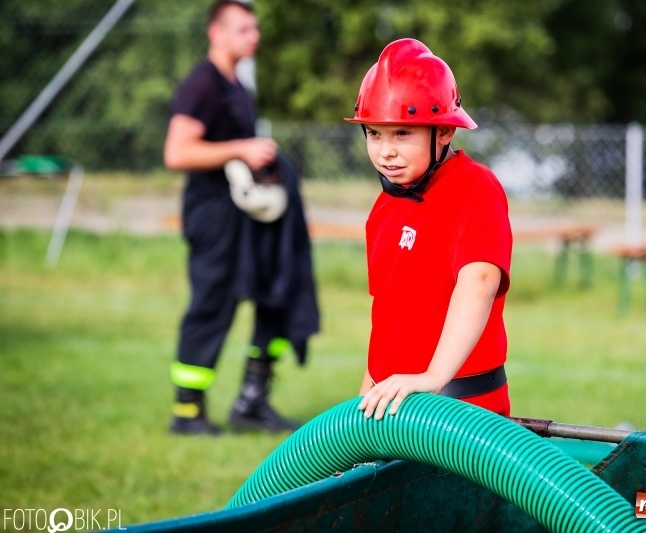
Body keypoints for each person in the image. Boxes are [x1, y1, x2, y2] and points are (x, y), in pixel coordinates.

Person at [163, 0, 319, 435]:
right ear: (216, 33)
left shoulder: (237, 85)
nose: (255, 37)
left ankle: (253, 401)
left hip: (247, 219)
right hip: (214, 219)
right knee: (212, 304)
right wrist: (242, 148)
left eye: (255, 29)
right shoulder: (203, 84)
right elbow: (177, 153)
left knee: (278, 292)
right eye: (244, 29)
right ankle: (187, 412)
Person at [346, 38, 512, 421]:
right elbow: (387, 321)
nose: (385, 151)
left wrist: (434, 378)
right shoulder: (384, 206)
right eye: (374, 133)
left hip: (462, 411)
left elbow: (480, 281)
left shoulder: (475, 189)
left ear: (445, 131)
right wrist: (363, 402)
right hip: (392, 407)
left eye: (403, 133)